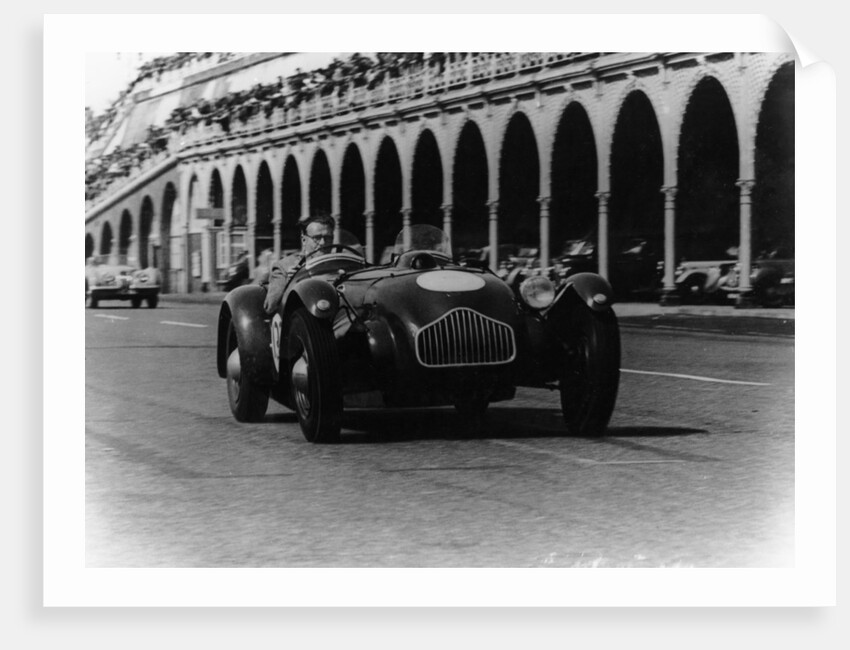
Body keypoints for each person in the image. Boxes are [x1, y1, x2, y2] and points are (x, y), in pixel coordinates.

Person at [263, 215, 335, 314]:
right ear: (304, 240)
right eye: (317, 238)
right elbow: (271, 307)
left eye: (328, 238)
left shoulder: (339, 264)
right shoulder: (284, 267)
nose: (323, 243)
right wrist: (290, 283)